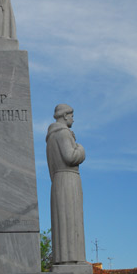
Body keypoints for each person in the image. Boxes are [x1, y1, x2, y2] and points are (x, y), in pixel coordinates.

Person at [46, 104, 87, 264]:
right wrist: (81, 149)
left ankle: (66, 258)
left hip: (58, 180)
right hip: (69, 178)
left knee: (65, 219)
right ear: (64, 116)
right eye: (71, 115)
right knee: (71, 218)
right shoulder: (63, 133)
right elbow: (70, 157)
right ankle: (72, 259)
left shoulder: (51, 136)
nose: (73, 119)